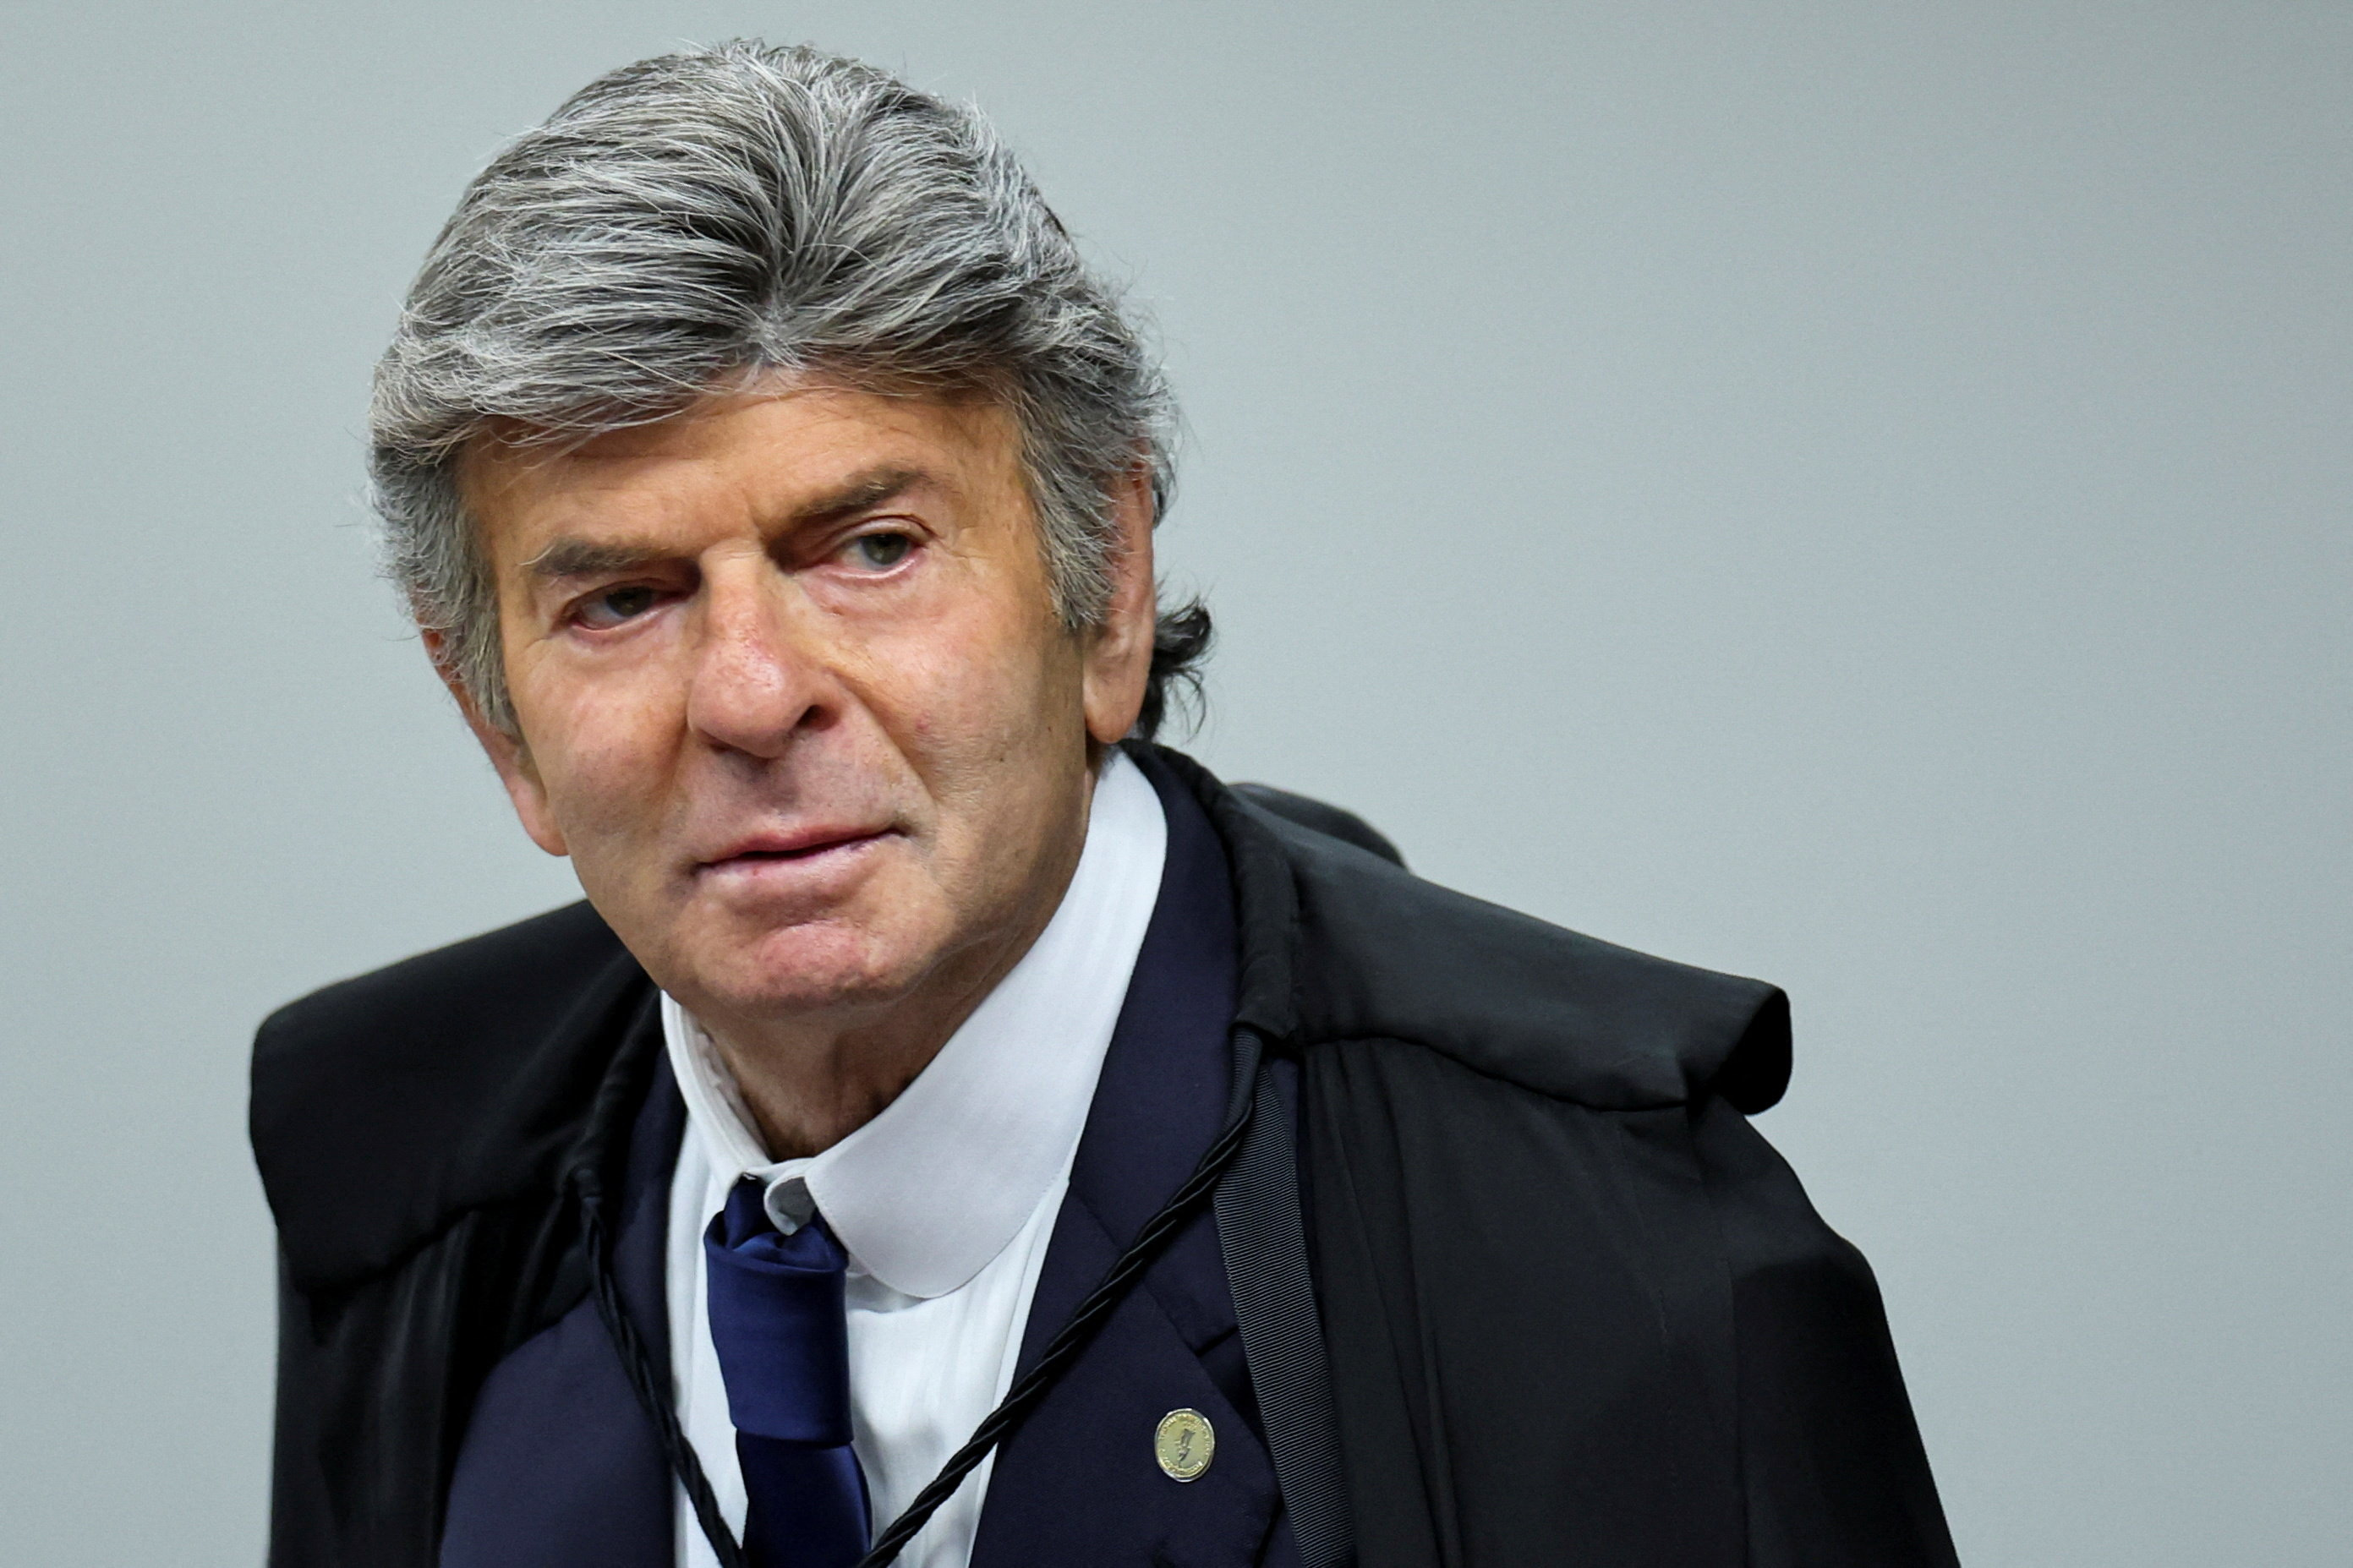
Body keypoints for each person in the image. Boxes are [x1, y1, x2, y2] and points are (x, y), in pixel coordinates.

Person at [249, 40, 1958, 1568]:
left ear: (1110, 586)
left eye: (870, 548)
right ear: (498, 721)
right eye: (619, 599)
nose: (755, 694)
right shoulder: (400, 1175)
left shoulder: (1618, 1259)